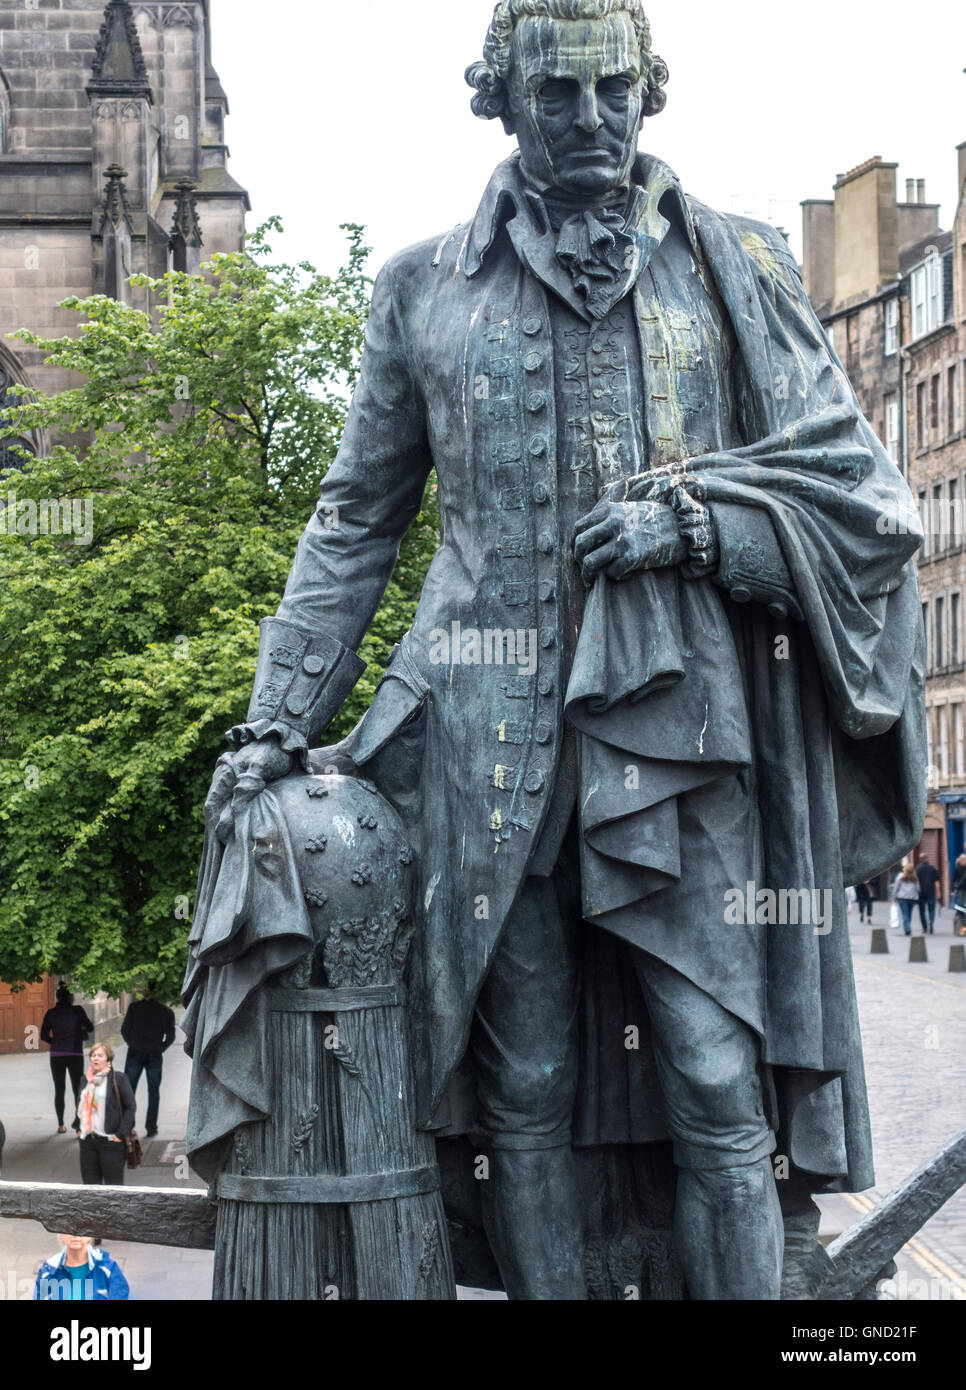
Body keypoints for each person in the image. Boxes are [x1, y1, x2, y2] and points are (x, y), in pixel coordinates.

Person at [195, 0, 926, 1301]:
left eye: (612, 89)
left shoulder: (737, 268)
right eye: (555, 93)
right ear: (497, 95)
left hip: (683, 736)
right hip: (484, 745)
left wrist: (698, 523)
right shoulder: (422, 285)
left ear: (649, 87)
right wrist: (271, 712)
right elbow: (355, 518)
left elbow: (861, 495)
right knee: (519, 1083)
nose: (589, 120)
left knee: (713, 1073)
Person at [121, 982, 176, 1139]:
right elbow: (171, 1036)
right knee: (153, 1092)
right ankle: (151, 1127)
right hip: (154, 1054)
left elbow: (125, 1030)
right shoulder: (165, 1011)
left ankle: (128, 1126)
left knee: (129, 1091)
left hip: (135, 1052)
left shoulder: (134, 1008)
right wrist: (161, 1047)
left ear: (146, 992)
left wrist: (132, 1043)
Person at [76, 1043, 135, 1185]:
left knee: (113, 1190)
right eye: (93, 1055)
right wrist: (79, 1130)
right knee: (90, 1189)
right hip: (88, 1142)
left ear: (108, 1059)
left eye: (100, 1055)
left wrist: (120, 1134)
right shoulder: (85, 1080)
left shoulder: (119, 1079)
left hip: (110, 1142)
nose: (95, 1058)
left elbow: (130, 1108)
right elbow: (79, 1105)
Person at [40, 985, 94, 1134]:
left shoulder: (51, 1013)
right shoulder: (77, 1011)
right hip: (75, 1054)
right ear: (70, 998)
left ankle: (61, 1124)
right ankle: (78, 1125)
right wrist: (80, 1031)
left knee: (59, 1089)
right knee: (78, 1089)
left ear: (57, 997)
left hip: (57, 1055)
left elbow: (43, 1035)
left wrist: (56, 1042)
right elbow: (90, 1027)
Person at [34, 1234, 129, 1301]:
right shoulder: (48, 1270)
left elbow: (120, 1295)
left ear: (90, 1235)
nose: (75, 1235)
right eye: (69, 1229)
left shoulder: (107, 1266)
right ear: (61, 1235)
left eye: (81, 1228)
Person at [892, 863, 921, 937]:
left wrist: (894, 897)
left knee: (905, 914)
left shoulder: (900, 877)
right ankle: (907, 928)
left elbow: (896, 888)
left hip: (902, 898)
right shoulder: (915, 879)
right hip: (912, 898)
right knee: (909, 914)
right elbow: (918, 889)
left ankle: (907, 929)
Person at [915, 857, 941, 936]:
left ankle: (924, 927)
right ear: (927, 860)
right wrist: (938, 892)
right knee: (931, 908)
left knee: (922, 911)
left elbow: (915, 882)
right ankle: (931, 921)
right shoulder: (932, 868)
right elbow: (936, 881)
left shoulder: (917, 869)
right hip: (931, 891)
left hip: (920, 893)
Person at [952, 853, 966, 936]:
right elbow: (954, 879)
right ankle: (960, 929)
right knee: (960, 909)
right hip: (961, 891)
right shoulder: (958, 868)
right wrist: (953, 889)